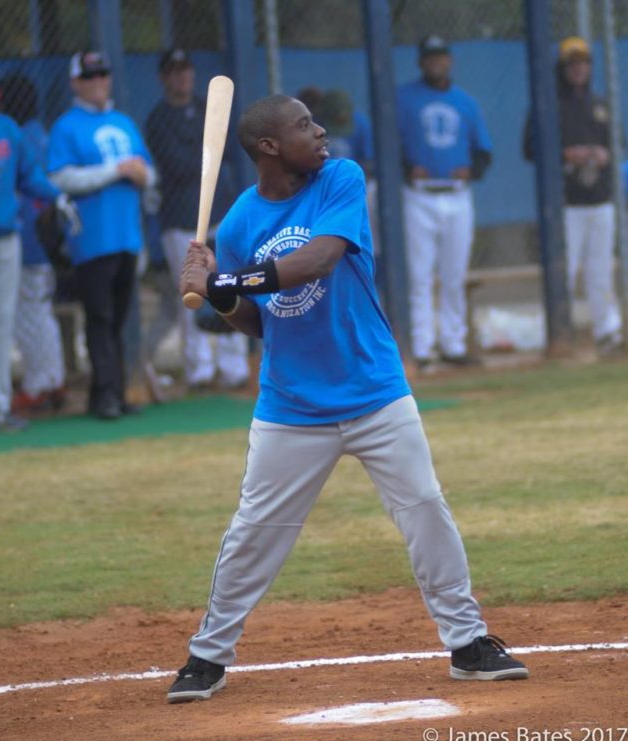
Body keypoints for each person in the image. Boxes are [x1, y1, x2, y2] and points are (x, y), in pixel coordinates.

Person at [167, 94, 528, 703]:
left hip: (374, 390)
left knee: (425, 510)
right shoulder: (236, 226)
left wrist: (222, 280)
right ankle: (207, 656)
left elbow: (319, 260)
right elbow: (257, 322)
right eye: (304, 125)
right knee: (256, 530)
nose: (321, 130)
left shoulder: (339, 176)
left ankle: (468, 644)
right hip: (291, 406)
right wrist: (222, 292)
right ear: (269, 147)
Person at [48, 50, 156, 419]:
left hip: (128, 235)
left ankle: (112, 394)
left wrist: (142, 175)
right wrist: (115, 170)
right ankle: (106, 395)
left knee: (120, 317)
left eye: (103, 75)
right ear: (76, 82)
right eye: (90, 77)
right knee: (100, 318)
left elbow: (147, 171)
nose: (98, 82)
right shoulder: (66, 126)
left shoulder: (123, 122)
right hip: (92, 238)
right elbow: (60, 178)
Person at [0, 57, 79, 433]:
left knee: (3, 323)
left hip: (6, 238)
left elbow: (30, 175)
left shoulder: (7, 129)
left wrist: (58, 197)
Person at [145, 49, 249, 391]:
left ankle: (234, 367)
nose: (182, 77)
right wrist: (204, 157)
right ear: (163, 78)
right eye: (174, 71)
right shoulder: (158, 118)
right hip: (181, 220)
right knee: (191, 292)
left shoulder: (209, 107)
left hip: (221, 211)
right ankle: (199, 370)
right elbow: (179, 164)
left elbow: (230, 151)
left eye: (186, 70)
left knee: (230, 286)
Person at [396, 35, 493, 370]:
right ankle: (422, 347)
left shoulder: (465, 102)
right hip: (419, 195)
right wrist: (408, 168)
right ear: (421, 62)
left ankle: (453, 344)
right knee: (419, 275)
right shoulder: (404, 98)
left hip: (456, 194)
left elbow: (484, 153)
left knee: (454, 273)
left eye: (441, 56)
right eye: (430, 57)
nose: (436, 62)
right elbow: (390, 144)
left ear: (449, 60)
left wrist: (472, 170)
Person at [523, 37, 624, 357]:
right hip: (567, 202)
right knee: (564, 268)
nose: (579, 68)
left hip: (600, 197)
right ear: (562, 68)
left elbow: (617, 144)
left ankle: (608, 331)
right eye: (572, 62)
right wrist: (567, 154)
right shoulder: (549, 104)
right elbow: (529, 148)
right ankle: (560, 333)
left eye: (583, 62)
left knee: (600, 269)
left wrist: (602, 154)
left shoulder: (600, 104)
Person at [0, 73, 67, 414]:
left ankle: (42, 383)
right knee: (39, 312)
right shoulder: (40, 133)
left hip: (28, 239)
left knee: (30, 313)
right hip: (44, 239)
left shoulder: (17, 136)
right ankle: (51, 380)